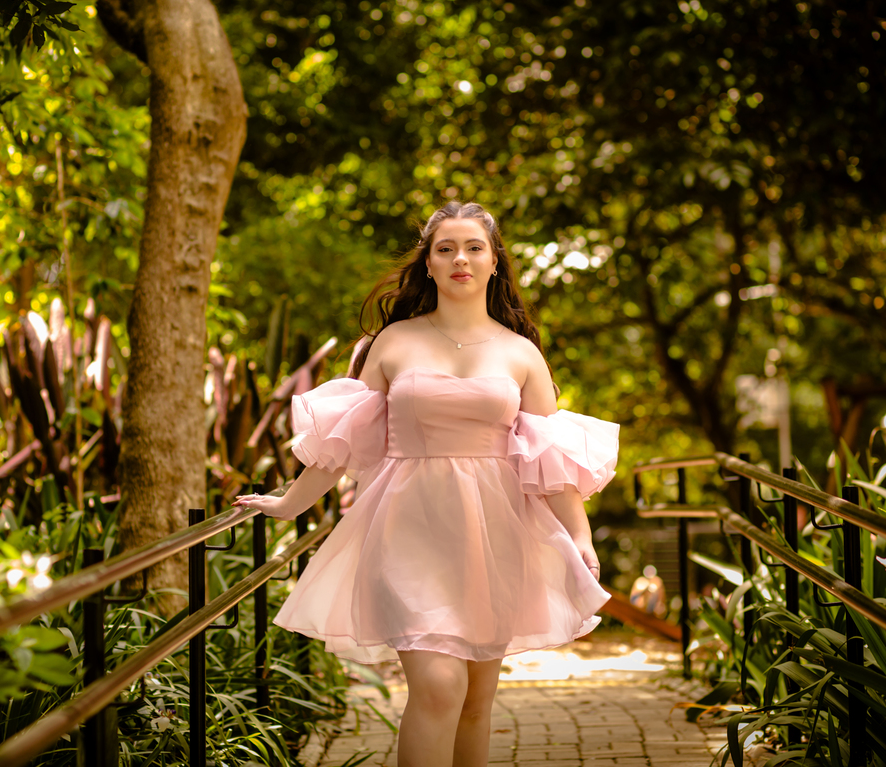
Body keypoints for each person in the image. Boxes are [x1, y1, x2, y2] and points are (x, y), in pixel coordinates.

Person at [232, 201, 619, 767]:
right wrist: (290, 504)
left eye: (473, 248)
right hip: (409, 524)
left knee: (476, 702)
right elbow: (349, 440)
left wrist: (580, 538)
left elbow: (548, 460)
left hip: (496, 531)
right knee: (439, 687)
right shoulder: (393, 343)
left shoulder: (522, 354)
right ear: (430, 266)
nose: (459, 258)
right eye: (445, 249)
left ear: (493, 264)